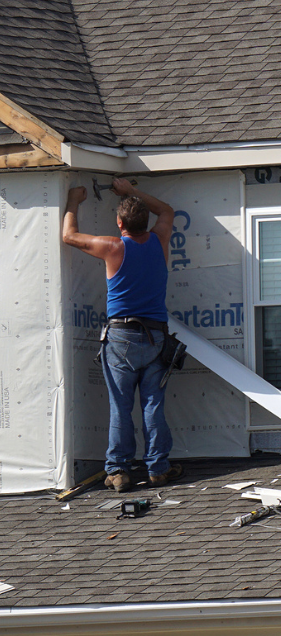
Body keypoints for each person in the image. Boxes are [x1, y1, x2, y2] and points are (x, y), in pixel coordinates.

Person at [63, 178, 181, 491]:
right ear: (145, 221)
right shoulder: (159, 239)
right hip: (157, 337)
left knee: (121, 407)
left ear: (119, 223)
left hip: (121, 338)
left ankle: (117, 471)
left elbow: (69, 236)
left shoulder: (114, 247)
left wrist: (75, 200)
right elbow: (166, 211)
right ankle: (158, 468)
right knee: (153, 405)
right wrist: (131, 191)